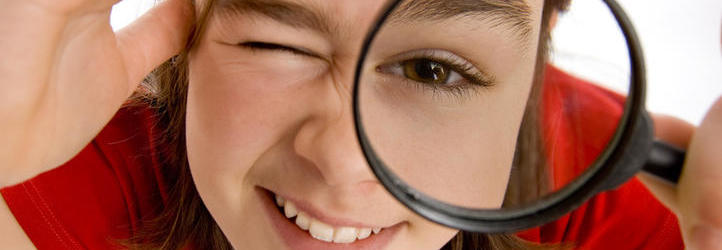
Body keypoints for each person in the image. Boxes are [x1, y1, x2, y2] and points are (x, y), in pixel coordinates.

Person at [0, 0, 719, 249]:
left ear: (540, 46)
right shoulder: (60, 154)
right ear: (187, 21)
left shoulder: (611, 200)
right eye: (277, 46)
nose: (342, 163)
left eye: (434, 71)